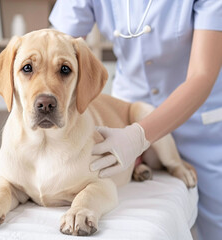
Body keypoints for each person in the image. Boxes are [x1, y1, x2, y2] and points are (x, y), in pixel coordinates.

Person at [49, 1, 222, 239]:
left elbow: (202, 74)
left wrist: (138, 136)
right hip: (126, 116)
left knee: (217, 224)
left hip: (198, 122)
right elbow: (54, 49)